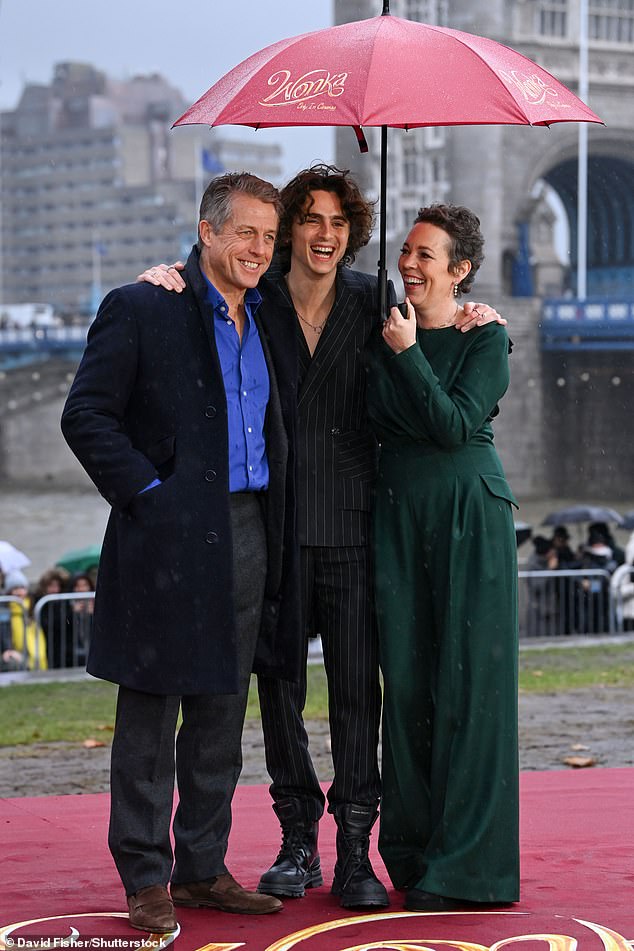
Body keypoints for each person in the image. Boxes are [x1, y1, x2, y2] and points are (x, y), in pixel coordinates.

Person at [139, 164, 505, 909]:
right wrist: (166, 276)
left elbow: (437, 324)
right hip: (273, 523)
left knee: (356, 699)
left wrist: (477, 311)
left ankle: (353, 851)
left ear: (352, 233)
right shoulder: (255, 298)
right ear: (291, 230)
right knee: (278, 689)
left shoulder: (377, 303)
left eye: (339, 223)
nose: (325, 235)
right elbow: (199, 291)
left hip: (354, 526)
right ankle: (296, 838)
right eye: (310, 219)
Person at [61, 172, 301, 933]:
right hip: (166, 530)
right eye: (245, 233)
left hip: (250, 527)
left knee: (221, 714)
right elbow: (87, 415)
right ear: (207, 231)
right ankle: (145, 876)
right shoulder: (142, 305)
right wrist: (150, 496)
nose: (259, 249)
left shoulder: (272, 315)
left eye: (270, 236)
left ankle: (202, 868)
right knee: (149, 713)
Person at [364, 203, 519, 912]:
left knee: (471, 687)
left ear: (459, 270)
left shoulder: (486, 338)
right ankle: (413, 850)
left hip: (468, 514)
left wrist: (408, 354)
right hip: (396, 516)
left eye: (427, 255)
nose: (409, 263)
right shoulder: (378, 327)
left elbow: (456, 425)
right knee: (408, 685)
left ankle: (470, 866)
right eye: (406, 251)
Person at [3, 569, 48, 670]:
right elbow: (5, 634)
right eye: (15, 588)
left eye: (22, 588)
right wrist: (8, 649)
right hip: (15, 654)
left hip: (35, 655)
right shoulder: (6, 611)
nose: (19, 592)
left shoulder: (32, 608)